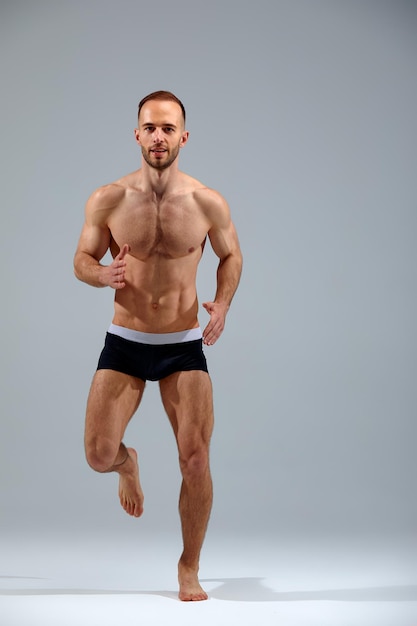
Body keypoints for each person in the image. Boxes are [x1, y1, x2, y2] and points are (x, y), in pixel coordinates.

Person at [73, 90, 242, 602]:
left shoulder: (207, 201)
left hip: (184, 344)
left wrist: (223, 303)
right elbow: (81, 258)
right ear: (137, 134)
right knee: (98, 454)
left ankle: (189, 566)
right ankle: (130, 466)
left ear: (183, 137)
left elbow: (231, 256)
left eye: (169, 128)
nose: (159, 136)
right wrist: (103, 274)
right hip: (125, 340)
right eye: (150, 127)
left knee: (195, 459)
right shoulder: (109, 199)